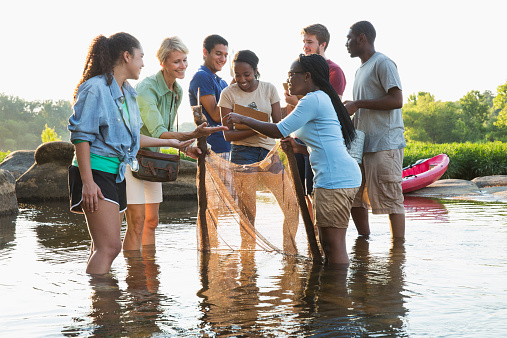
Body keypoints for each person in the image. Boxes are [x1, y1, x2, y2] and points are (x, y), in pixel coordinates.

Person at [68, 32, 195, 275]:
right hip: (95, 171)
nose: (143, 63)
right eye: (141, 57)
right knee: (110, 247)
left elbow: (134, 140)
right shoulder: (95, 89)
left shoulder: (128, 92)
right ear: (127, 56)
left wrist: (178, 144)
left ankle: (101, 305)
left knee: (103, 246)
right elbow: (81, 136)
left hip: (115, 174)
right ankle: (104, 305)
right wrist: (88, 182)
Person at [225, 54, 362, 266]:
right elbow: (325, 143)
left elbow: (278, 129)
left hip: (336, 179)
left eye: (291, 75)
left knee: (333, 246)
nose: (288, 80)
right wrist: (299, 148)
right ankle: (332, 294)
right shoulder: (320, 98)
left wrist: (243, 118)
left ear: (307, 76)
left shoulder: (312, 99)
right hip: (340, 176)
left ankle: (336, 297)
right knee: (329, 243)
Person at [123, 37, 227, 251]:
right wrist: (193, 134)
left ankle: (150, 276)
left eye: (185, 60)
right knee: (136, 222)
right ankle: (136, 277)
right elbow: (159, 131)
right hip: (131, 159)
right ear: (163, 63)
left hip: (153, 160)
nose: (183, 66)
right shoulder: (146, 89)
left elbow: (166, 134)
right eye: (176, 62)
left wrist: (188, 148)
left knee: (152, 221)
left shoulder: (177, 91)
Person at [219, 50, 299, 253]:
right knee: (248, 211)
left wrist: (245, 123)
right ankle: (248, 257)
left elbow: (276, 125)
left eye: (247, 74)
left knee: (290, 203)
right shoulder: (228, 94)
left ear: (256, 71)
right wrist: (257, 126)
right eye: (237, 75)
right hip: (242, 154)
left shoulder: (269, 89)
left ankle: (289, 249)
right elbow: (228, 136)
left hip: (268, 152)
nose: (242, 79)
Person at [343, 20, 406, 238]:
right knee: (354, 196)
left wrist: (358, 104)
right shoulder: (360, 69)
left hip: (384, 144)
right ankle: (364, 243)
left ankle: (398, 253)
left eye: (349, 38)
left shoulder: (383, 63)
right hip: (361, 147)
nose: (346, 43)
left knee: (391, 200)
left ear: (362, 37)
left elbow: (397, 100)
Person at [285, 24, 348, 219]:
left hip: (318, 140)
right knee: (304, 192)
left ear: (323, 44)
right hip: (300, 139)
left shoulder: (334, 72)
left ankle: (320, 233)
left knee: (314, 190)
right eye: (304, 42)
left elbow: (330, 109)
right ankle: (313, 235)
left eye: (310, 42)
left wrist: (294, 101)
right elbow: (293, 113)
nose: (305, 46)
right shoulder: (298, 69)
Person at [189, 34, 231, 159]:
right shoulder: (202, 76)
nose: (223, 59)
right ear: (205, 52)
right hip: (213, 148)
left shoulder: (222, 82)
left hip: (228, 145)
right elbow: (216, 115)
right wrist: (235, 87)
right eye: (218, 54)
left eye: (225, 55)